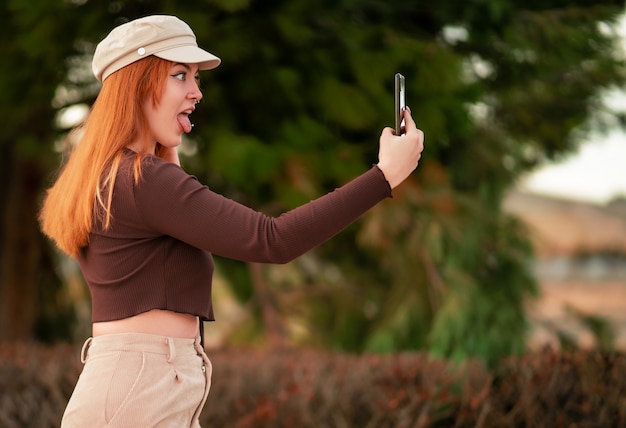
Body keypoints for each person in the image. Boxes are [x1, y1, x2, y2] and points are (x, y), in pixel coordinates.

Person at [39, 14, 424, 428]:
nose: (196, 91)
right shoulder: (144, 181)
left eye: (196, 78)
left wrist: (167, 151)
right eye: (180, 75)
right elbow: (271, 240)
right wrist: (384, 176)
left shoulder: (114, 178)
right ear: (137, 84)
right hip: (140, 394)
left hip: (133, 388)